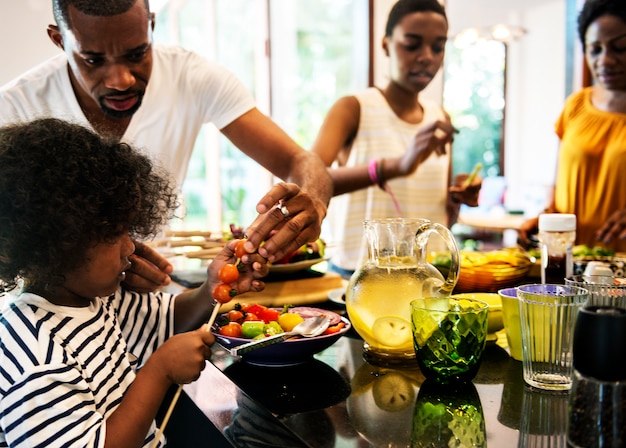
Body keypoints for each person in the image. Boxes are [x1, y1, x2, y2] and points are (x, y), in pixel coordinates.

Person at [0, 0, 332, 292]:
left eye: (136, 54)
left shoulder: (192, 76)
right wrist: (90, 267)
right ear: (59, 39)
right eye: (93, 60)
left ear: (151, 26)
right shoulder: (14, 108)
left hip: (159, 305)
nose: (121, 79)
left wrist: (314, 202)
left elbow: (300, 160)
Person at [0, 118, 269, 447]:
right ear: (57, 246)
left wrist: (211, 288)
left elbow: (166, 319)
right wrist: (159, 372)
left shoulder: (93, 298)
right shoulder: (35, 358)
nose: (131, 247)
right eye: (115, 235)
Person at [310, 0, 481, 277]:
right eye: (412, 45)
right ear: (386, 44)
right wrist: (397, 166)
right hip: (358, 278)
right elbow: (306, 184)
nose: (427, 56)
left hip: (427, 277)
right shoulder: (353, 109)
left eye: (438, 47)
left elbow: (441, 215)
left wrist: (458, 197)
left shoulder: (440, 118)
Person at [518, 0, 626, 252]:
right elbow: (559, 189)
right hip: (569, 264)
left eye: (620, 48)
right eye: (595, 49)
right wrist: (544, 219)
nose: (605, 60)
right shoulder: (576, 105)